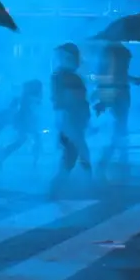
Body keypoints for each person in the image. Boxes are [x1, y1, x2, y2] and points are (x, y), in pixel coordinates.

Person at [93, 42, 140, 180]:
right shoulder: (115, 53)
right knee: (119, 129)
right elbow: (117, 76)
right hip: (118, 94)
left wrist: (134, 80)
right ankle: (109, 161)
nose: (127, 63)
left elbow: (118, 75)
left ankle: (116, 159)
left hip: (117, 94)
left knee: (119, 128)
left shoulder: (111, 52)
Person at [50, 42, 91, 194]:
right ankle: (86, 183)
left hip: (71, 121)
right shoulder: (66, 77)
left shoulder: (60, 76)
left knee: (73, 154)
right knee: (77, 153)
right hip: (71, 121)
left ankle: (60, 186)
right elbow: (71, 100)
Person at [0, 79, 44, 169]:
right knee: (29, 139)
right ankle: (35, 161)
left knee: (24, 140)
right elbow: (29, 109)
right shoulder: (29, 98)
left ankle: (1, 157)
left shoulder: (26, 97)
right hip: (26, 120)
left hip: (25, 120)